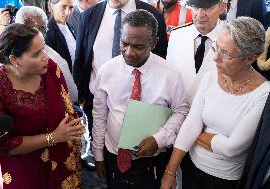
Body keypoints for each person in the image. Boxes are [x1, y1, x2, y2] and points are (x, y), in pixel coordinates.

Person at [160, 17, 270, 189]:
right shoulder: (211, 76)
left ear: (250, 58)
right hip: (191, 167)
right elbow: (191, 124)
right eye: (216, 47)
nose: (215, 58)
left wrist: (195, 133)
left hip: (225, 180)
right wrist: (170, 171)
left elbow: (231, 148)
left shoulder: (263, 94)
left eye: (225, 53)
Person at [92, 9, 189, 189]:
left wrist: (159, 139)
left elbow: (182, 111)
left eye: (138, 47)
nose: (129, 52)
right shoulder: (107, 71)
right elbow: (99, 115)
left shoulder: (170, 75)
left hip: (152, 161)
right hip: (114, 155)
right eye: (124, 43)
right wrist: (98, 155)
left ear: (154, 43)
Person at [0, 23, 84, 188]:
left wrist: (73, 128)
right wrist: (54, 137)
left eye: (44, 48)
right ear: (14, 60)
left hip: (60, 158)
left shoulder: (50, 68)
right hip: (24, 168)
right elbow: (2, 146)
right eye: (36, 54)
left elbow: (66, 108)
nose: (45, 56)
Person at [73, 0, 168, 169]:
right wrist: (83, 99)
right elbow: (80, 59)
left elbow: (160, 62)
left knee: (140, 159)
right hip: (97, 101)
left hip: (141, 104)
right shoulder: (88, 16)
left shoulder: (152, 16)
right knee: (105, 157)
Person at [15, 5, 78, 103]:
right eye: (32, 30)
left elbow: (72, 95)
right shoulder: (7, 61)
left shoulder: (55, 60)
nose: (38, 35)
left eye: (42, 30)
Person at [166, 0, 226, 104]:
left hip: (211, 113)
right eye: (195, 7)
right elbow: (169, 78)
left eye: (208, 8)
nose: (200, 14)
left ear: (222, 7)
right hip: (176, 109)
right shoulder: (177, 35)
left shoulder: (232, 40)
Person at [45, 0, 76, 73]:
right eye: (63, 7)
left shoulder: (69, 26)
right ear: (52, 5)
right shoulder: (48, 32)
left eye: (71, 7)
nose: (67, 12)